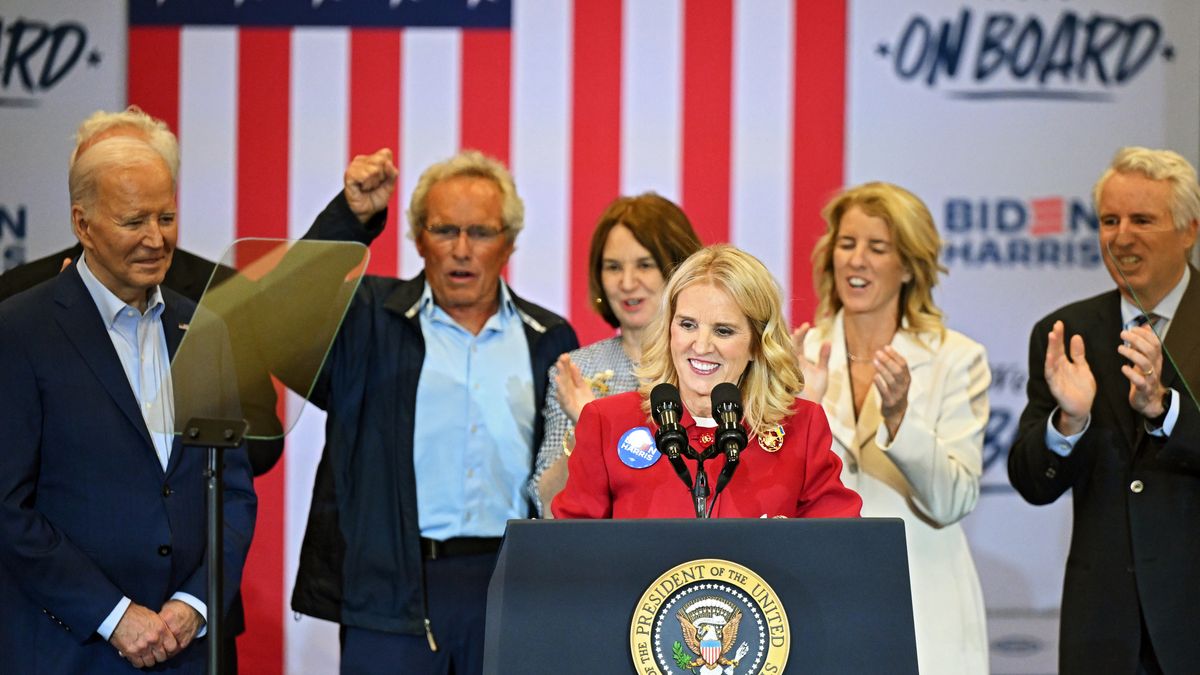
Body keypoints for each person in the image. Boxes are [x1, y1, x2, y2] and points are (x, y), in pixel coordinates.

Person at [0, 106, 282, 673]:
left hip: (187, 646)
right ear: (83, 224)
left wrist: (195, 603)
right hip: (69, 647)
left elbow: (231, 490)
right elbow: (7, 506)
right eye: (134, 221)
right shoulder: (19, 330)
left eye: (167, 217)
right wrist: (112, 614)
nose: (157, 239)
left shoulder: (204, 327)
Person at [290, 149, 579, 674]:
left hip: (510, 587)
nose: (462, 250)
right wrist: (351, 217)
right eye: (444, 230)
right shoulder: (367, 322)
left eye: (481, 232)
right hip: (390, 591)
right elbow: (285, 314)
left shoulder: (550, 339)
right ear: (418, 238)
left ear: (509, 242)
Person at [1008, 147, 1200, 674]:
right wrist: (1068, 423)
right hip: (1103, 631)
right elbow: (1032, 480)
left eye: (1142, 219)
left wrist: (1164, 411)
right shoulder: (1065, 334)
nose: (1121, 236)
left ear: (1189, 230)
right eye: (1110, 220)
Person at [796, 182, 990, 673]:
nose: (856, 260)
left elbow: (952, 502)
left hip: (926, 602)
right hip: (821, 599)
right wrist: (802, 411)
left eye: (877, 248)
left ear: (907, 266)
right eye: (847, 244)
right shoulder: (796, 355)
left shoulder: (956, 359)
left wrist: (901, 419)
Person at [552, 244, 862, 519]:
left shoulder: (802, 427)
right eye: (687, 325)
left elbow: (839, 548)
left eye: (723, 330)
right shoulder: (607, 421)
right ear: (669, 329)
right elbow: (571, 552)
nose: (700, 346)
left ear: (757, 344)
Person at [529, 193, 702, 514]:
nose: (626, 282)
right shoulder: (577, 370)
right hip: (605, 554)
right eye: (613, 267)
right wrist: (585, 427)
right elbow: (549, 506)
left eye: (644, 265)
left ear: (680, 268)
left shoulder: (706, 362)